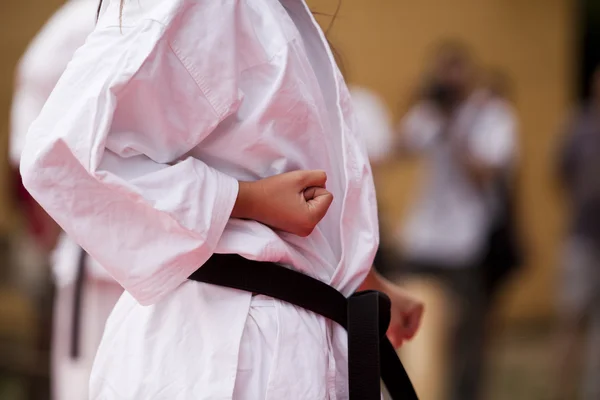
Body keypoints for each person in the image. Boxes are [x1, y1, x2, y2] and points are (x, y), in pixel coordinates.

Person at [19, 0, 424, 398]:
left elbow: (257, 160)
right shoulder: (210, 5)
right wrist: (245, 199)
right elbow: (61, 154)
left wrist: (361, 279)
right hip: (226, 341)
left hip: (255, 326)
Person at [10, 1, 124, 399]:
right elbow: (36, 81)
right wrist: (42, 211)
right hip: (99, 248)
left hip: (178, 250)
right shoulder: (94, 16)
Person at [395, 42, 518, 400]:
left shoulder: (492, 115)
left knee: (468, 336)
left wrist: (455, 127)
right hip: (423, 238)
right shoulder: (430, 113)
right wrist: (418, 101)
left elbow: (488, 173)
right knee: (410, 325)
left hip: (467, 243)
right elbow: (399, 147)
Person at [555, 65, 600, 400]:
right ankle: (561, 391)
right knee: (570, 320)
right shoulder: (578, 127)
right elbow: (559, 174)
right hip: (582, 238)